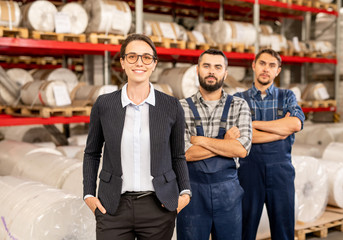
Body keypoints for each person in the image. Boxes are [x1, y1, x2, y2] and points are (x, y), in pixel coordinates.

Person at [83, 33, 191, 240]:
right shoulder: (104, 104)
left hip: (158, 206)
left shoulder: (171, 106)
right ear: (122, 62)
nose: (139, 62)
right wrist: (89, 194)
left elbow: (178, 155)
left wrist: (185, 192)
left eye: (146, 57)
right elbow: (92, 153)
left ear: (154, 64)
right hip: (112, 207)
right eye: (132, 56)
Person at [177, 49, 252, 240]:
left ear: (225, 73)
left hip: (228, 194)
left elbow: (241, 149)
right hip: (191, 194)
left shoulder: (239, 105)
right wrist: (225, 143)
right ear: (197, 70)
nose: (212, 71)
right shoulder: (180, 107)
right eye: (206, 66)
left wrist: (199, 140)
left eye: (218, 67)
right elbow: (185, 154)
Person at [234, 48, 305, 240]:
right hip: (248, 172)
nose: (266, 69)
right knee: (244, 229)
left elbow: (295, 123)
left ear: (278, 70)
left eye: (272, 65)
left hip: (281, 172)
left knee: (283, 230)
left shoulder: (287, 96)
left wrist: (254, 125)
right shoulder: (239, 99)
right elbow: (240, 135)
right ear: (254, 66)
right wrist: (280, 130)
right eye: (262, 63)